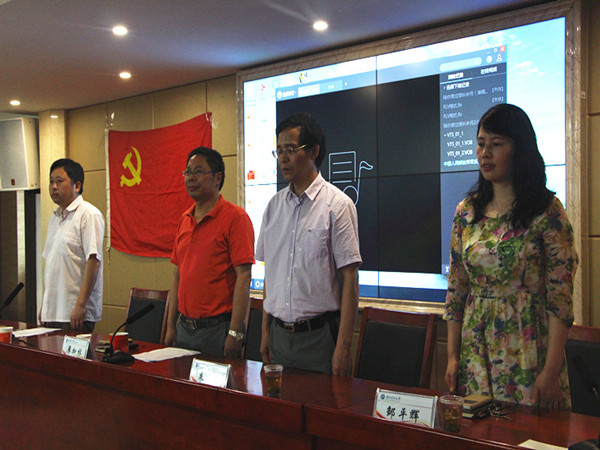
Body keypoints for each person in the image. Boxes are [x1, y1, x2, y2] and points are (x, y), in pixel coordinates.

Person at [444, 104, 578, 409]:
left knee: (526, 431)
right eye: (481, 144)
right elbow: (456, 291)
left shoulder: (547, 211)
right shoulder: (467, 211)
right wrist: (452, 356)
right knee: (479, 430)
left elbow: (560, 301)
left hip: (528, 349)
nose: (485, 154)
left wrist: (551, 371)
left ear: (519, 149)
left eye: (496, 144)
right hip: (475, 351)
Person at [256, 113, 362, 376]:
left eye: (291, 149)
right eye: (279, 151)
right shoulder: (273, 207)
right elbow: (271, 275)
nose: (283, 158)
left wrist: (344, 346)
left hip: (320, 338)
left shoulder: (337, 205)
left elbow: (350, 279)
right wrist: (265, 331)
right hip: (279, 336)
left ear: (314, 151)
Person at [164, 147, 254, 358]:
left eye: (198, 171)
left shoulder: (236, 219)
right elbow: (178, 275)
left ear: (217, 178)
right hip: (185, 328)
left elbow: (244, 277)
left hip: (218, 330)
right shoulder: (184, 219)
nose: (190, 178)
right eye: (187, 172)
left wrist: (235, 332)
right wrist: (170, 325)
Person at [40, 158, 104, 332]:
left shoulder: (88, 214)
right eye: (51, 181)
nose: (53, 187)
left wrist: (81, 305)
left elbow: (94, 261)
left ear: (77, 186)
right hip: (53, 312)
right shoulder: (54, 218)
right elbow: (52, 265)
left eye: (59, 181)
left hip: (75, 313)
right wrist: (45, 306)